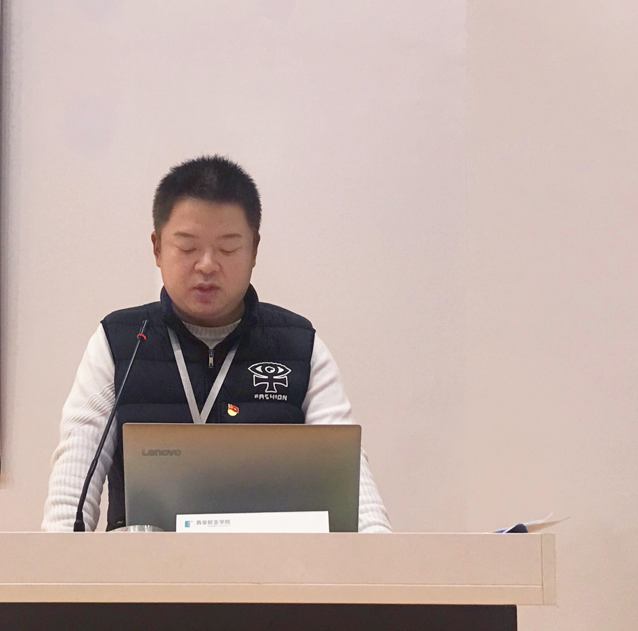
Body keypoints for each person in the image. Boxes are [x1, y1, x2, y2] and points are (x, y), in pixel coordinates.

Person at [42, 155, 392, 532]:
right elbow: (69, 502)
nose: (207, 265)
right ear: (157, 248)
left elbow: (354, 491)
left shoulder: (298, 346)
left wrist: (378, 549)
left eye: (227, 249)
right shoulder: (121, 341)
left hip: (273, 566)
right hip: (144, 567)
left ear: (254, 249)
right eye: (187, 248)